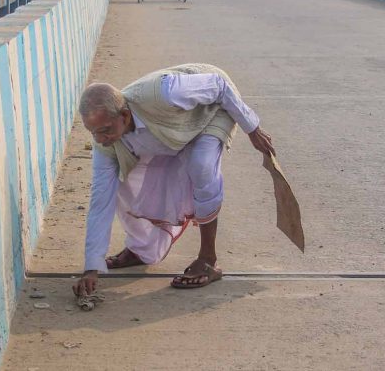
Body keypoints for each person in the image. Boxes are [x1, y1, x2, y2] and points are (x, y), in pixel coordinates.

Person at [73, 64, 275, 296]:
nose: (100, 138)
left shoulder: (164, 93)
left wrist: (252, 128)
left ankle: (208, 260)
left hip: (211, 111)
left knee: (201, 165)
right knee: (122, 183)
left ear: (125, 115)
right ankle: (142, 250)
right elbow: (100, 202)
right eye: (93, 132)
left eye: (105, 130)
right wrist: (91, 268)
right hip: (172, 131)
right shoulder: (104, 145)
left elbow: (219, 87)